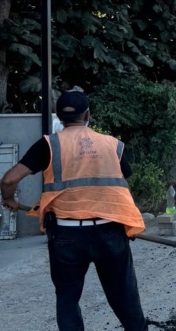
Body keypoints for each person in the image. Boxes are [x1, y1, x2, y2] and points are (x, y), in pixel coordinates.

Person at [0, 91, 149, 331]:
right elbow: (122, 183)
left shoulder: (49, 145)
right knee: (124, 294)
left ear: (60, 117)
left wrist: (9, 199)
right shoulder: (112, 144)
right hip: (110, 231)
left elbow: (9, 179)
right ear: (88, 114)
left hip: (66, 235)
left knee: (68, 298)